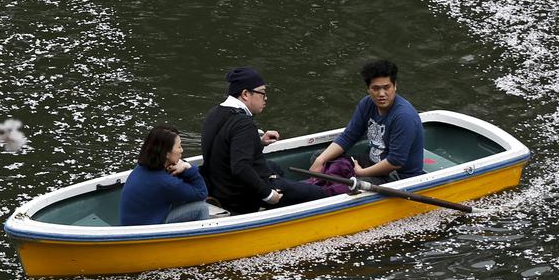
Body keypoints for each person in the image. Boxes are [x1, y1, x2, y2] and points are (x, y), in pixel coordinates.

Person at [200, 66, 330, 214]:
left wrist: (258, 142)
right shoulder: (243, 123)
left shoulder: (215, 113)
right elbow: (241, 167)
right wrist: (268, 195)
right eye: (262, 93)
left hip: (220, 187)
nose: (266, 98)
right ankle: (280, 205)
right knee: (318, 193)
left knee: (274, 167)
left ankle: (286, 193)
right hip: (240, 196)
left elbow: (223, 146)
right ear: (245, 94)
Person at [310, 59, 425, 183]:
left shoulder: (404, 116)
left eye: (387, 87)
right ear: (368, 89)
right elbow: (348, 137)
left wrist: (360, 172)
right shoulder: (367, 104)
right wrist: (320, 161)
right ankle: (322, 185)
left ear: (395, 86)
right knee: (319, 157)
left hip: (397, 175)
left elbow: (395, 161)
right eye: (375, 88)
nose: (382, 94)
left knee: (355, 183)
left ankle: (326, 187)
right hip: (372, 161)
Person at [118, 126, 211, 226]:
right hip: (148, 229)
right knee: (202, 208)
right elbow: (202, 193)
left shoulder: (143, 167)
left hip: (133, 223)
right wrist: (188, 168)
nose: (182, 150)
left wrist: (181, 166)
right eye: (179, 147)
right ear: (167, 154)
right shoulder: (165, 182)